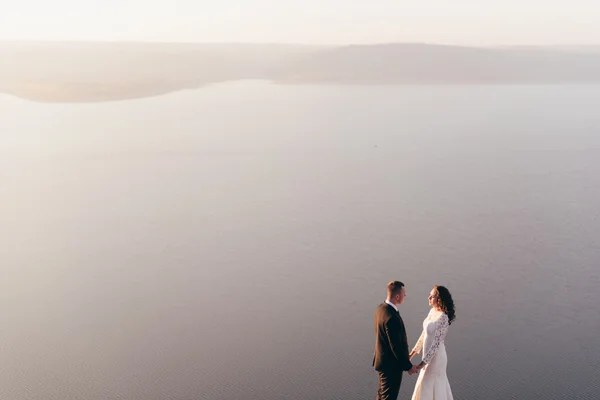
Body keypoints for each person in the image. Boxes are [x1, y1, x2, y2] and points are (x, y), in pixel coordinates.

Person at [409, 285, 456, 400]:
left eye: (432, 296)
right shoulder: (432, 311)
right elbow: (423, 334)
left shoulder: (443, 318)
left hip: (436, 359)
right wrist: (411, 354)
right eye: (429, 295)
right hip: (427, 356)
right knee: (425, 381)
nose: (429, 297)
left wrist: (421, 364)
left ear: (439, 299)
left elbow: (435, 344)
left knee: (430, 381)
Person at [373, 281, 418, 400]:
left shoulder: (380, 309)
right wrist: (408, 366)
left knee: (382, 395)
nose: (405, 296)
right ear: (397, 296)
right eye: (404, 294)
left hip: (382, 362)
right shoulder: (392, 317)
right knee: (388, 397)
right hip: (391, 366)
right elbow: (396, 346)